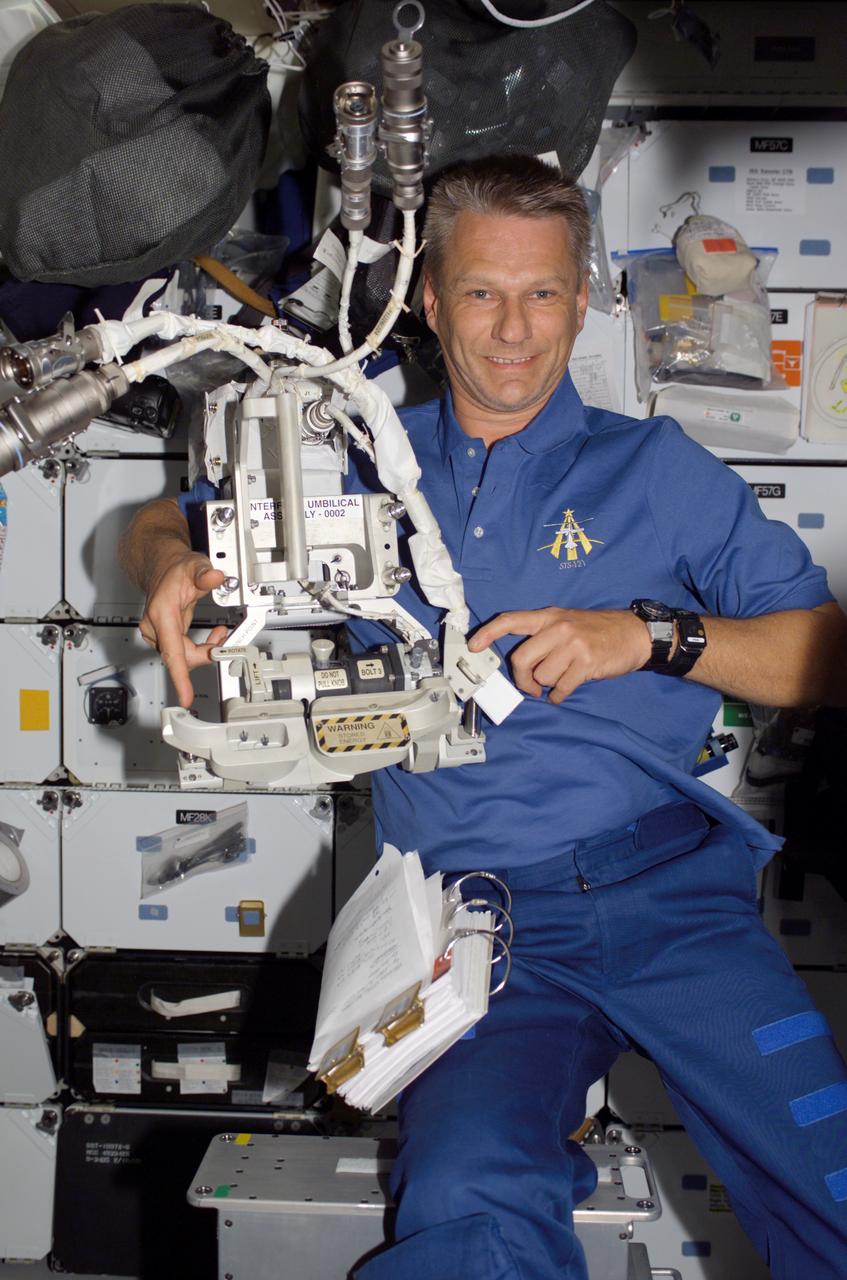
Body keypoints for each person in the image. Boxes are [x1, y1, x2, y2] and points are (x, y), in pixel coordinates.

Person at [120, 155, 847, 1280]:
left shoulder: (652, 468)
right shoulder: (358, 460)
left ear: (584, 293)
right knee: (466, 1194)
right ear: (428, 300)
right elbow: (164, 516)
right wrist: (170, 561)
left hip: (672, 907)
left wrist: (650, 634)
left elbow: (822, 656)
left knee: (832, 1177)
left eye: (542, 292)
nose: (512, 330)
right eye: (480, 292)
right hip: (482, 935)